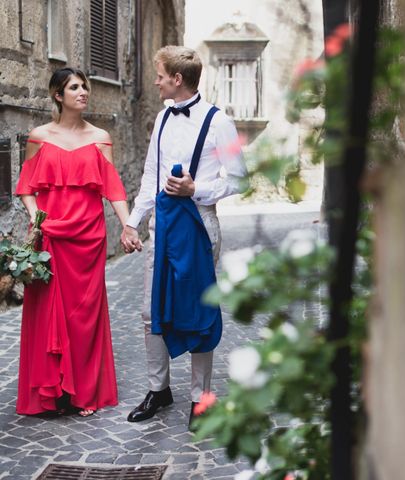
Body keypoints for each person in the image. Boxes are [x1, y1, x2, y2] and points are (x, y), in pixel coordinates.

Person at [121, 46, 247, 428]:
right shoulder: (161, 118)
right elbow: (150, 176)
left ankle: (201, 398)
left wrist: (198, 189)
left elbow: (240, 178)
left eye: (160, 75)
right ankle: (159, 389)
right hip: (161, 227)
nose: (156, 81)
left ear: (177, 79)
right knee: (150, 311)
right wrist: (133, 221)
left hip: (199, 224)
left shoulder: (219, 122)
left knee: (198, 314)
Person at [15, 67, 133, 417]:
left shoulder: (101, 138)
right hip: (51, 235)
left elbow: (113, 189)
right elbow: (26, 188)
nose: (83, 92)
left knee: (84, 316)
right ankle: (50, 393)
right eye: (74, 87)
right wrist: (37, 220)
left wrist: (128, 226)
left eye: (85, 87)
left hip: (88, 237)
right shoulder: (39, 136)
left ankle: (83, 392)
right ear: (58, 95)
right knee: (49, 310)